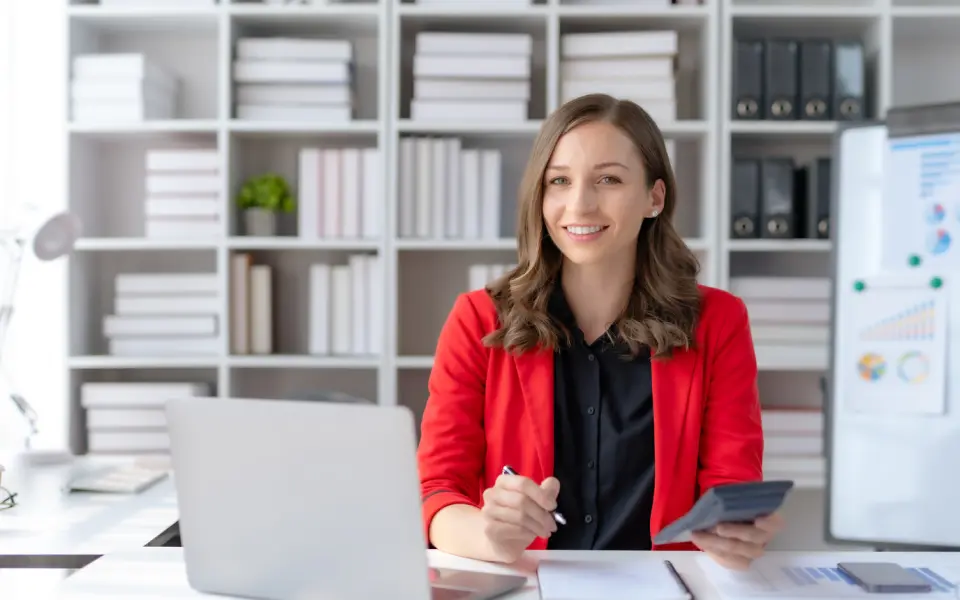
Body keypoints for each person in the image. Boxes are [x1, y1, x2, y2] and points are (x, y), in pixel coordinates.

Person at [416, 93, 783, 570]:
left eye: (608, 179)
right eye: (559, 181)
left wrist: (736, 533)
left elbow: (731, 486)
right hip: (528, 585)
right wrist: (490, 537)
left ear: (654, 197)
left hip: (663, 587)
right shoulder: (479, 320)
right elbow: (436, 491)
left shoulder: (718, 322)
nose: (580, 204)